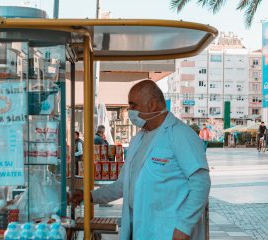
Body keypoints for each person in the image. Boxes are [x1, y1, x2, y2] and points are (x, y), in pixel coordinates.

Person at [71, 80, 210, 240]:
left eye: (133, 105)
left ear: (151, 105)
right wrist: (89, 196)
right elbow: (123, 185)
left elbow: (201, 184)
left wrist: (184, 227)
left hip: (170, 231)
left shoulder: (180, 135)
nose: (130, 111)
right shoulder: (139, 139)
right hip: (140, 229)